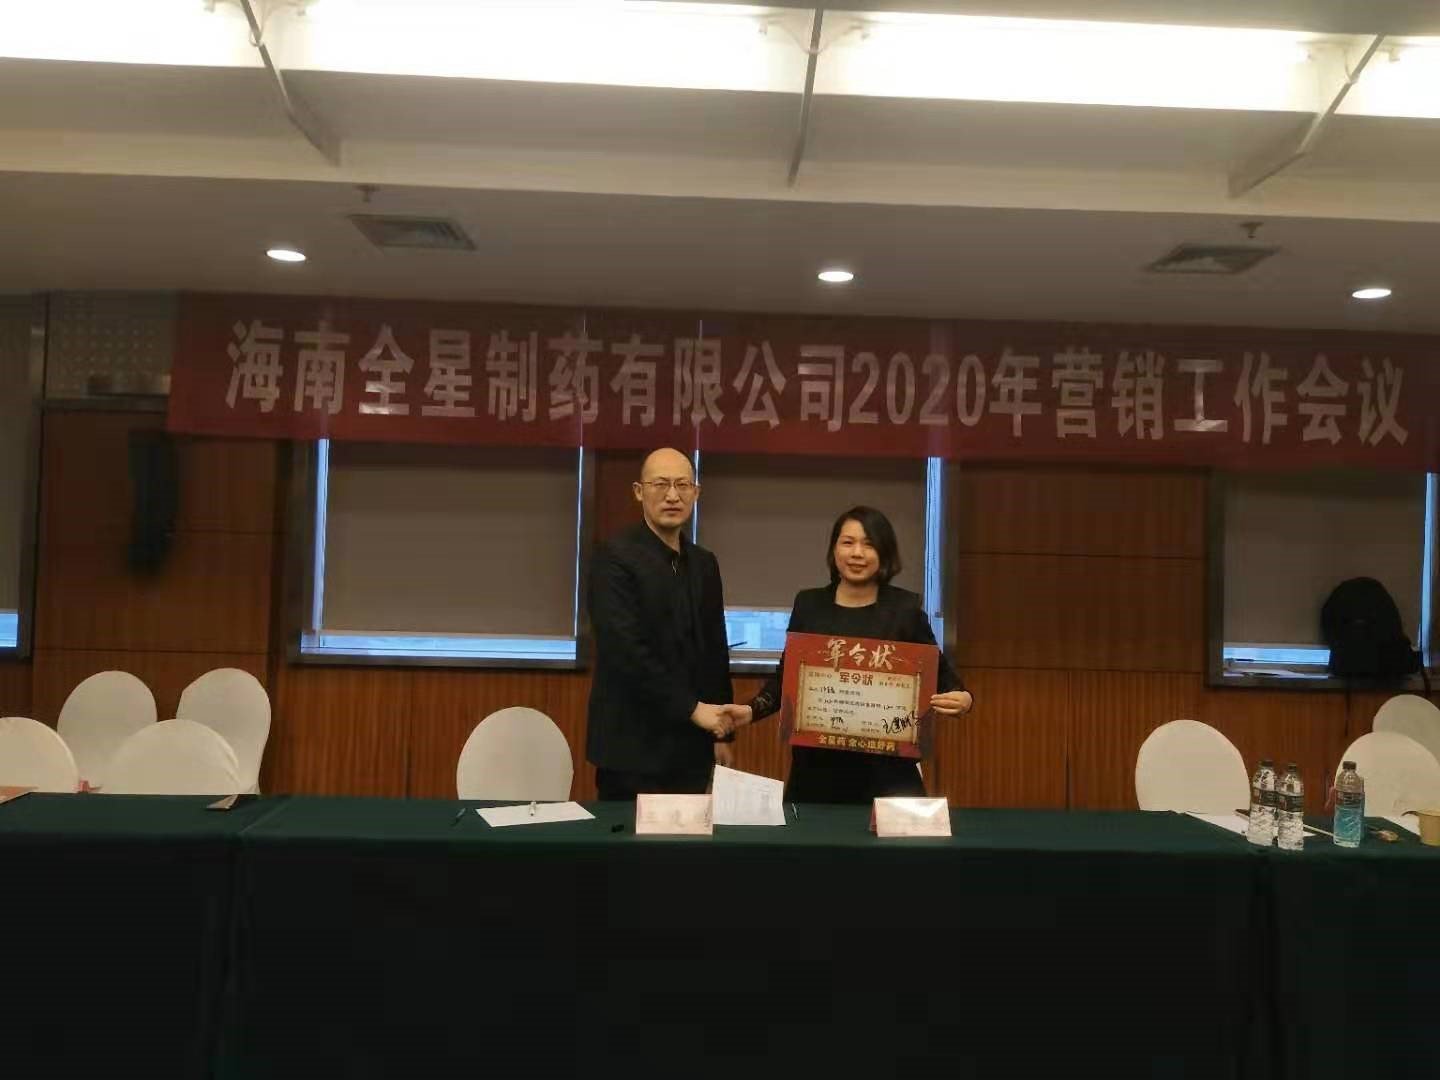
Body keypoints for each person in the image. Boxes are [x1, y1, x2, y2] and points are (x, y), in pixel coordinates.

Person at [728, 505, 973, 804]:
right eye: (848, 542)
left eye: (869, 544)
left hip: (889, 776)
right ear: (834, 550)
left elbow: (945, 679)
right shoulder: (810, 606)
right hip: (817, 772)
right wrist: (750, 711)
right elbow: (786, 679)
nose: (857, 553)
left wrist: (964, 699)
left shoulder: (904, 610)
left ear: (884, 553)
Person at [585, 447, 744, 800]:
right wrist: (693, 709)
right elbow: (625, 651)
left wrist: (721, 735)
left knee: (691, 835)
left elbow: (714, 651)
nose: (673, 495)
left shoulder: (704, 563)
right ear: (639, 491)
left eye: (682, 485)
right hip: (631, 749)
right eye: (660, 484)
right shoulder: (613, 558)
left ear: (696, 493)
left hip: (692, 746)